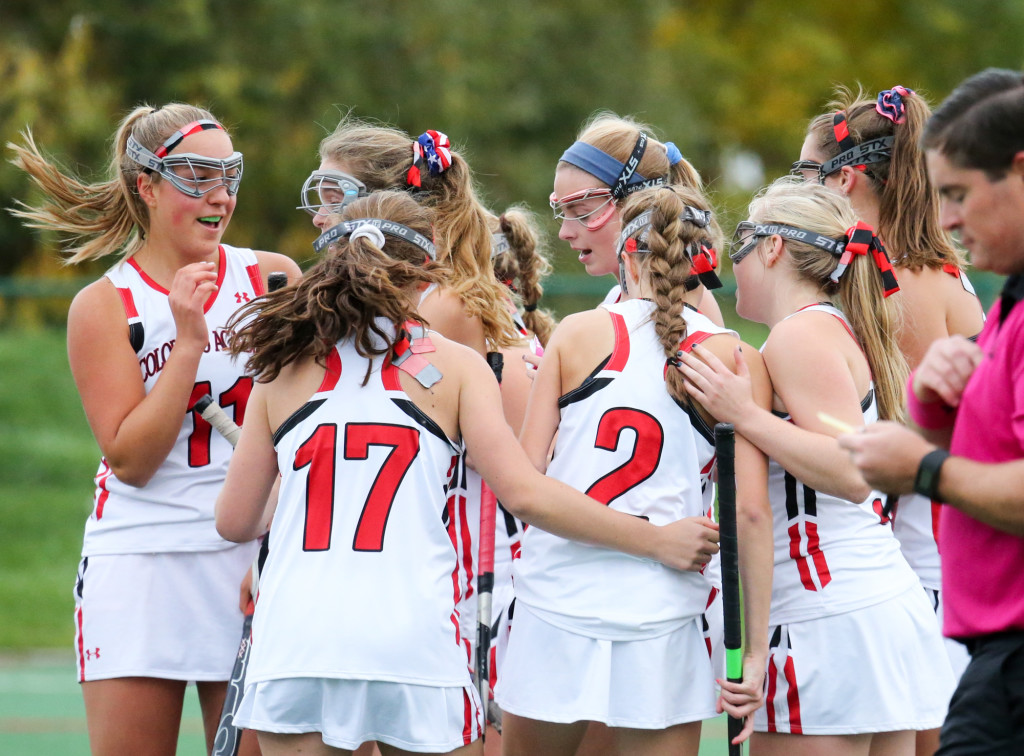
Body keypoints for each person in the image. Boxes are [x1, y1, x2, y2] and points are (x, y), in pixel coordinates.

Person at [213, 190, 721, 756]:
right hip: (412, 637)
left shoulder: (280, 366)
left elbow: (235, 522)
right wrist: (654, 539)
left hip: (296, 639)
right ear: (426, 272)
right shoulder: (454, 366)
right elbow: (526, 495)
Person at [8, 103, 300, 755]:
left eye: (229, 175)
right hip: (143, 560)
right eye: (198, 177)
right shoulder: (104, 305)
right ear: (147, 184)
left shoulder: (273, 279)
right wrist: (189, 342)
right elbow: (133, 460)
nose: (220, 196)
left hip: (254, 558)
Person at [679, 176, 955, 756]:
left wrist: (743, 415)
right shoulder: (828, 327)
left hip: (826, 620)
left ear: (774, 247)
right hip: (866, 609)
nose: (734, 261)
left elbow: (853, 474)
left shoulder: (797, 335)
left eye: (745, 242)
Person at [495, 184, 772, 756]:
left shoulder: (575, 333)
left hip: (556, 606)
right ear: (703, 262)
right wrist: (756, 650)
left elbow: (523, 490)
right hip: (662, 618)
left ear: (626, 255)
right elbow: (748, 511)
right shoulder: (730, 354)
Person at [297, 119, 542, 741]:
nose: (322, 215)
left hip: (459, 561)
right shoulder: (461, 292)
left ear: (386, 208)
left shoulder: (436, 309)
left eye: (336, 194)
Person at [837, 68, 1024, 756]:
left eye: (958, 195)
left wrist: (924, 468)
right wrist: (935, 404)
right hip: (992, 652)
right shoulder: (1007, 302)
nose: (945, 219)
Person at [796, 85, 987, 755]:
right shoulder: (924, 267)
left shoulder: (897, 283)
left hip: (928, 563)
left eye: (804, 175)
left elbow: (897, 448)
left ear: (845, 178)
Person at [550, 112, 726, 326]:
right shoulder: (611, 302)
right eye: (563, 212)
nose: (564, 233)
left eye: (581, 213)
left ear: (636, 205)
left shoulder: (691, 303)